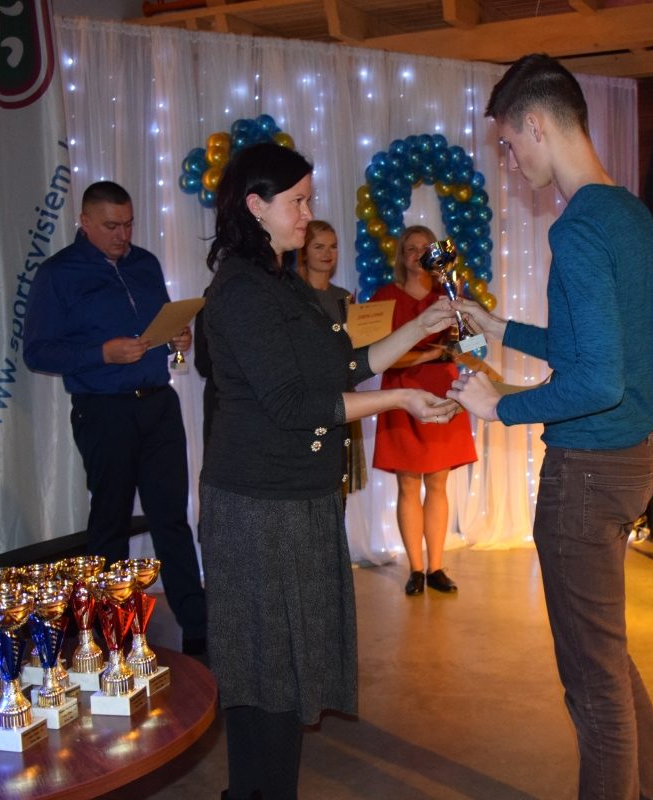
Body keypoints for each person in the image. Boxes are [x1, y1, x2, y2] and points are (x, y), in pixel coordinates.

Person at [447, 54, 653, 800]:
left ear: (536, 124)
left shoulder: (579, 228)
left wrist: (500, 405)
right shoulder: (633, 216)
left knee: (592, 687)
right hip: (632, 463)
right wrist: (504, 330)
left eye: (508, 145)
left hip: (587, 475)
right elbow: (599, 347)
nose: (510, 162)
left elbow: (598, 380)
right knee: (605, 660)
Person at [198, 142, 458, 800]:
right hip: (259, 506)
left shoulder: (283, 282)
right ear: (255, 206)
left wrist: (422, 325)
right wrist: (402, 398)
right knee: (267, 675)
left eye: (309, 199)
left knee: (280, 675)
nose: (307, 214)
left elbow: (346, 362)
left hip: (299, 498)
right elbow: (295, 405)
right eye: (297, 202)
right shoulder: (242, 290)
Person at [23, 181, 208, 655]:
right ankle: (111, 637)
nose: (123, 235)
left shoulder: (145, 263)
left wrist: (178, 337)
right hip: (103, 409)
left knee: (172, 519)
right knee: (110, 524)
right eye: (111, 226)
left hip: (158, 404)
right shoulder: (57, 274)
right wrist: (101, 353)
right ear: (84, 222)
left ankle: (198, 627)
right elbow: (37, 352)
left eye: (128, 224)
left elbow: (160, 323)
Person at [371, 225, 477, 596]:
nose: (418, 254)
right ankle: (415, 569)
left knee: (437, 484)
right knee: (407, 484)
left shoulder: (450, 294)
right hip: (400, 394)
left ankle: (436, 568)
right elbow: (377, 356)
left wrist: (462, 337)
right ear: (401, 257)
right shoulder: (384, 297)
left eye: (425, 248)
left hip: (442, 391)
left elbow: (475, 347)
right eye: (411, 249)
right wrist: (431, 353)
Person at [296, 221, 368, 498]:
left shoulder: (344, 298)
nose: (328, 253)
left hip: (343, 395)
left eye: (333, 247)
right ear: (303, 251)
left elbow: (356, 349)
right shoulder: (292, 294)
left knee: (339, 487)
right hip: (308, 399)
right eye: (319, 247)